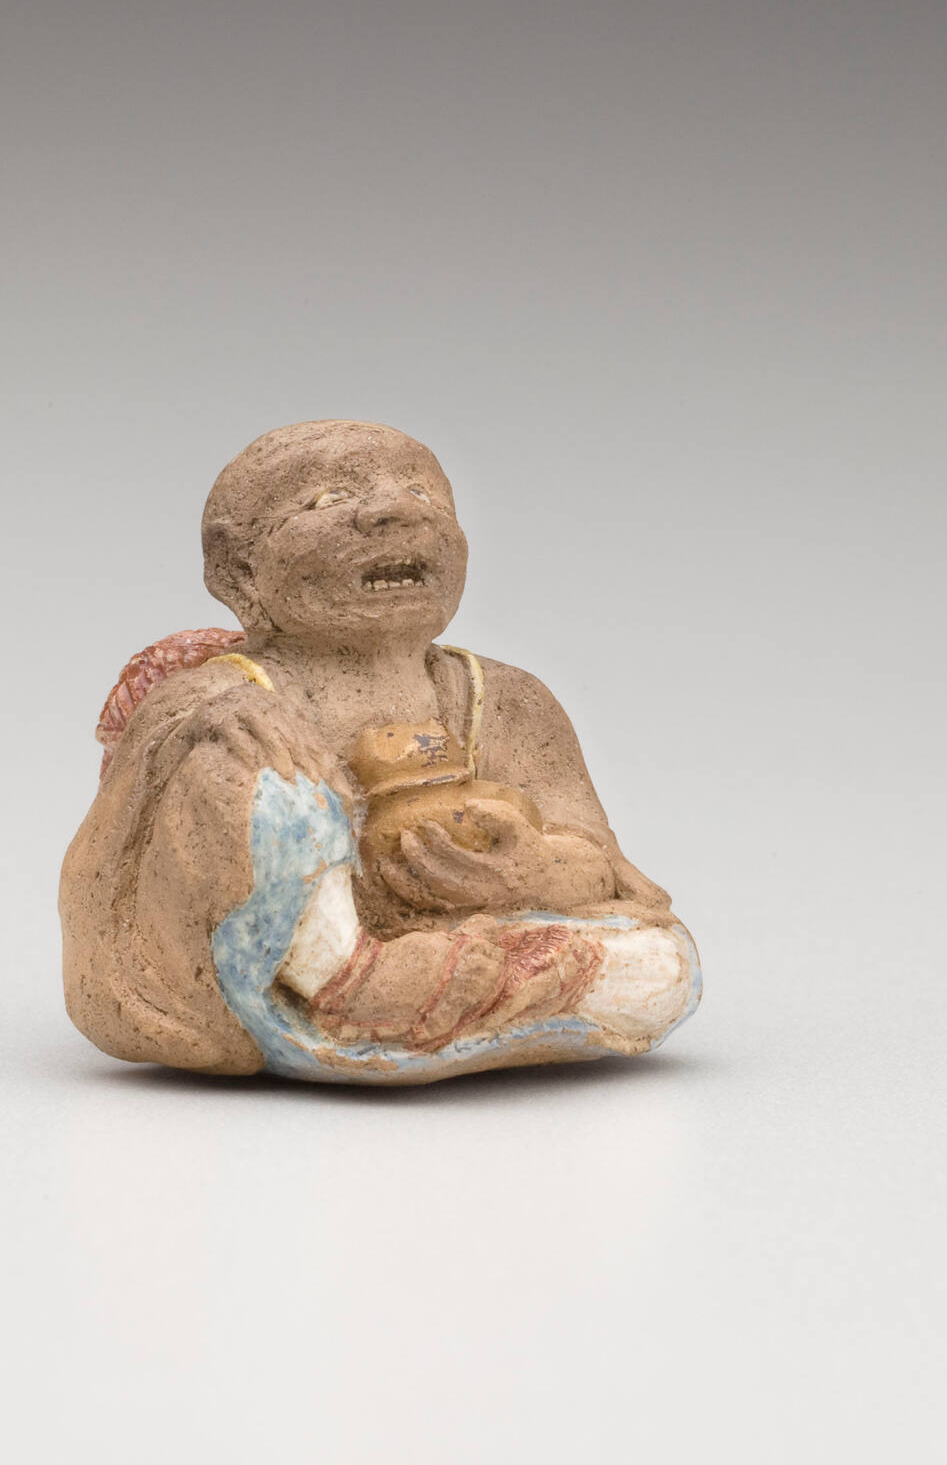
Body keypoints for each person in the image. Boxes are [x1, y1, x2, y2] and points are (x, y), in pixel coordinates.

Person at [60, 420, 699, 1083]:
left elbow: (597, 858)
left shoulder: (508, 699)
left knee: (666, 962)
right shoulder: (227, 691)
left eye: (424, 495)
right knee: (248, 763)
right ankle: (343, 979)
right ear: (237, 568)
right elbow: (133, 847)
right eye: (327, 500)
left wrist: (532, 870)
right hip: (304, 952)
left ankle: (441, 994)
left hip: (452, 932)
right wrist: (218, 725)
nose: (395, 510)